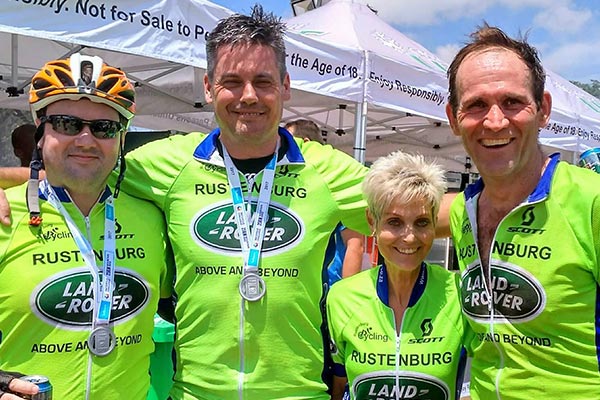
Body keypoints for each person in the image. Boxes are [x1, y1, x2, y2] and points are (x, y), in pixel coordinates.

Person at [0, 6, 454, 399]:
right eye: (232, 82)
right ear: (208, 87)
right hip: (195, 393)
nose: (248, 96)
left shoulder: (326, 169)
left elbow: (424, 209)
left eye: (263, 81)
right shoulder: (168, 162)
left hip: (298, 393)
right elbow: (82, 167)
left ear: (286, 86)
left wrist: (489, 208)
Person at [0, 53, 173, 399]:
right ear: (40, 132)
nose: (85, 140)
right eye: (66, 124)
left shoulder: (154, 217)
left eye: (104, 128)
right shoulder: (6, 215)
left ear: (121, 138)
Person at [445, 24, 600, 399]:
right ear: (453, 118)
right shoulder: (462, 211)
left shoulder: (590, 201)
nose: (495, 121)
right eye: (476, 105)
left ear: (543, 109)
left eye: (512, 102)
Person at [327, 151, 470, 400]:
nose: (409, 237)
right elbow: (339, 387)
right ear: (372, 222)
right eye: (394, 222)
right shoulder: (342, 298)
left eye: (422, 222)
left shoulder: (458, 294)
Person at [285, 118, 365, 284]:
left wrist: (346, 293)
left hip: (330, 285)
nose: (282, 148)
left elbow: (355, 245)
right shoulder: (294, 183)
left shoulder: (335, 180)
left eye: (289, 142)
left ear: (306, 143)